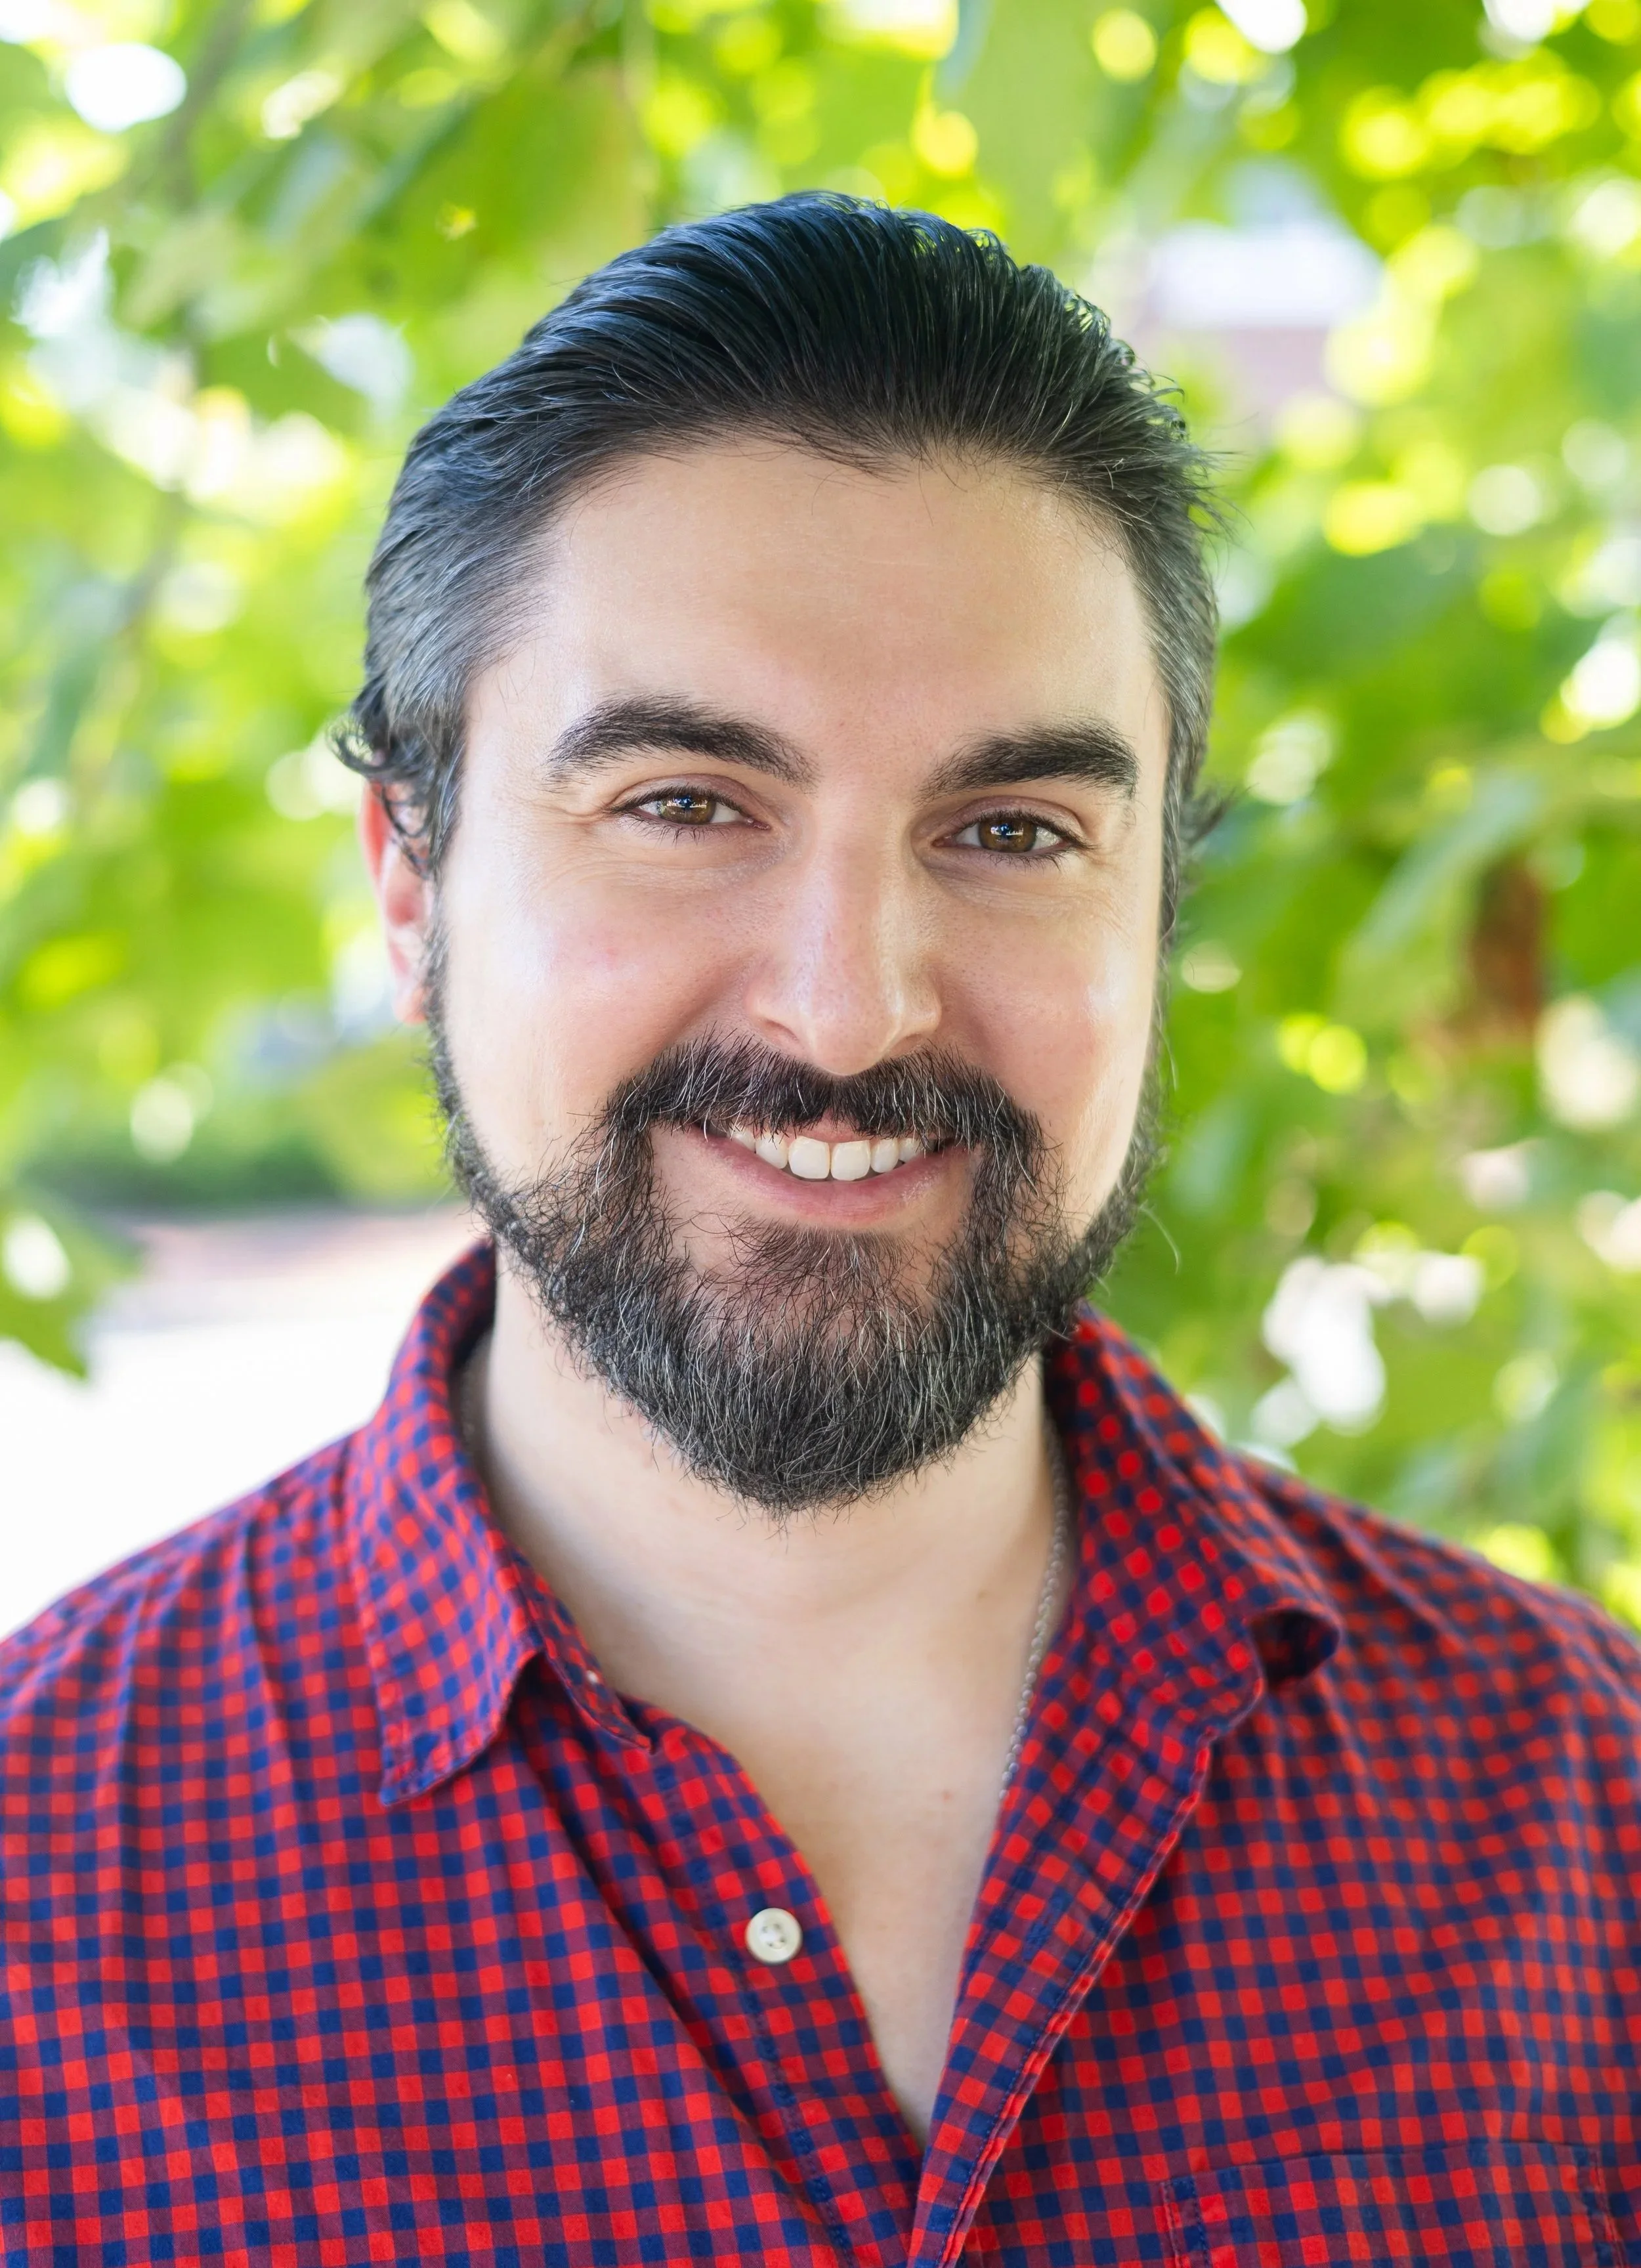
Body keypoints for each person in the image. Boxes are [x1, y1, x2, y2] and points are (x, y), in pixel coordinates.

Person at [2, 195, 1638, 2268]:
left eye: (1014, 831)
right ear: (409, 881)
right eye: (685, 802)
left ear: (1155, 911)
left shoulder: (1587, 1836)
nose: (848, 1005)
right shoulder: (33, 1913)